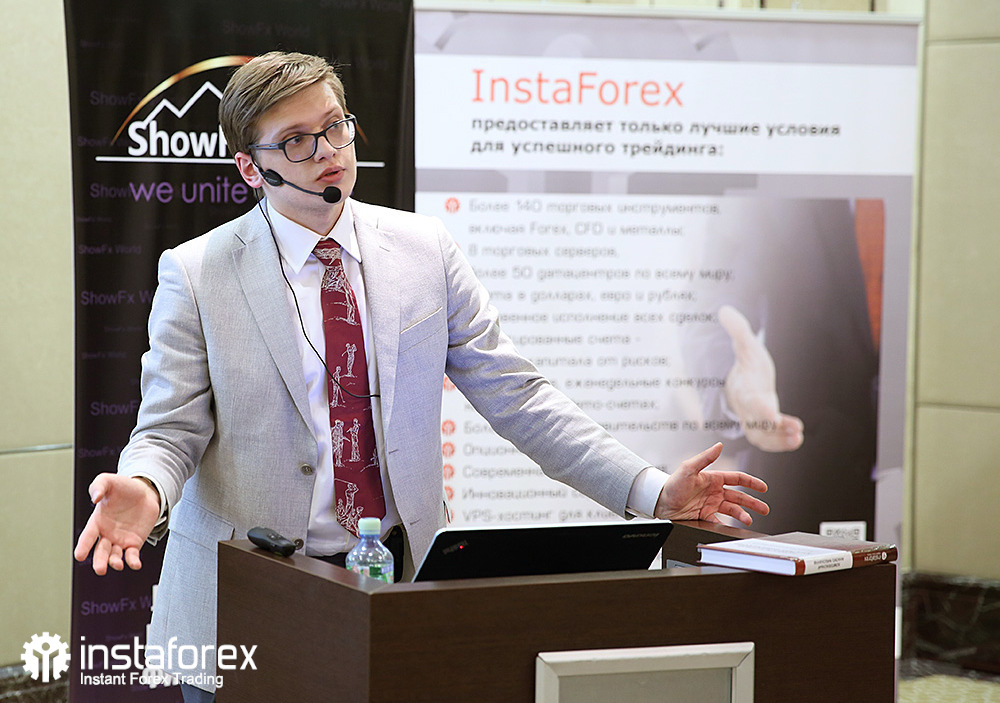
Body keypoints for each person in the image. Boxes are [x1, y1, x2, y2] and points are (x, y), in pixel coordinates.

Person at [74, 51, 769, 702]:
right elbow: (170, 430)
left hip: (396, 589)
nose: (327, 152)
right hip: (249, 602)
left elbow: (517, 393)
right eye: (296, 142)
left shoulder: (423, 248)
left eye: (335, 127)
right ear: (251, 168)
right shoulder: (198, 271)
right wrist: (145, 487)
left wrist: (650, 489)